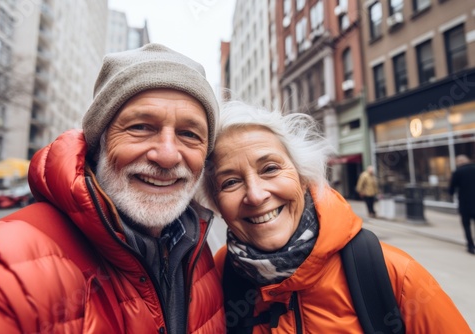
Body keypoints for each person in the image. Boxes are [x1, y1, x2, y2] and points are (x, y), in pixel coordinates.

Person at [0, 44, 225, 333]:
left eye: (189, 134)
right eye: (141, 127)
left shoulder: (200, 254)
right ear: (98, 144)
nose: (168, 155)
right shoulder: (0, 262)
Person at [197, 101, 471, 333]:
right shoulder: (215, 274)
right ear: (217, 204)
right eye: (230, 182)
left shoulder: (392, 273)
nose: (256, 195)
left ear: (303, 178)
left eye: (269, 168)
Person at [449, 154, 475, 255]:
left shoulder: (458, 172)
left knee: (466, 225)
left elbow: (451, 189)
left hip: (465, 204)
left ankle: (470, 246)